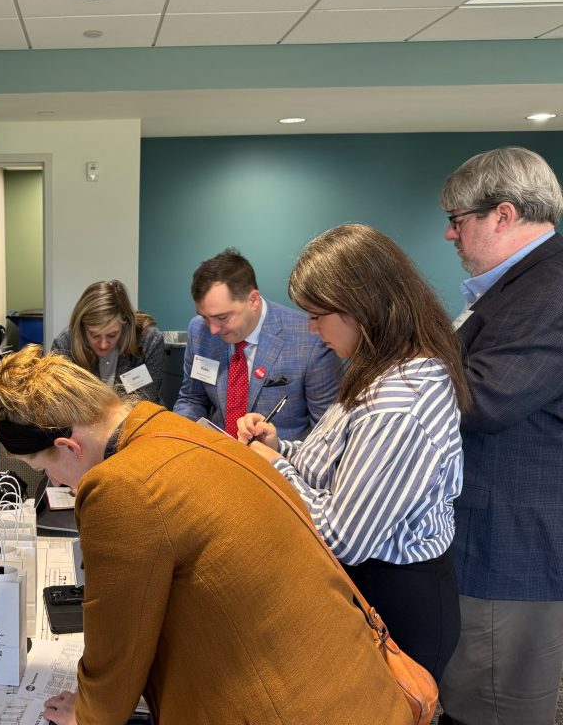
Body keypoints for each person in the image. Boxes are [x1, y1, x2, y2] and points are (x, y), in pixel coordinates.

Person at [0, 346, 414, 725]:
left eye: (45, 468)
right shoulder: (174, 428)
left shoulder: (120, 485)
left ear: (69, 446)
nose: (55, 482)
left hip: (285, 708)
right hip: (351, 687)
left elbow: (118, 643)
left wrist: (87, 714)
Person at [238, 223, 469, 682]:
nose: (311, 328)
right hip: (370, 589)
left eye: (317, 315)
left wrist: (276, 468)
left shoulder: (398, 403)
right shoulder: (379, 368)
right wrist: (280, 447)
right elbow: (340, 466)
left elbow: (345, 537)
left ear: (360, 308)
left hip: (396, 600)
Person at [433, 147, 563, 725]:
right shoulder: (519, 286)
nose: (449, 234)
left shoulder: (549, 289)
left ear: (503, 214)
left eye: (457, 220)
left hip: (511, 549)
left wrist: (402, 368)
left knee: (493, 704)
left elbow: (484, 398)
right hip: (492, 537)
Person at [173, 248, 340, 440]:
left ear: (253, 300)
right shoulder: (198, 331)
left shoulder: (310, 339)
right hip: (218, 449)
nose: (212, 329)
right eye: (205, 317)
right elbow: (192, 399)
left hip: (280, 455)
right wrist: (180, 433)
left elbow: (326, 431)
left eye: (222, 317)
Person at [50, 279, 164, 403]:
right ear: (82, 327)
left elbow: (147, 400)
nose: (103, 345)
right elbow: (60, 404)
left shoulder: (149, 341)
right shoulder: (64, 345)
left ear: (125, 325)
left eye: (112, 335)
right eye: (94, 335)